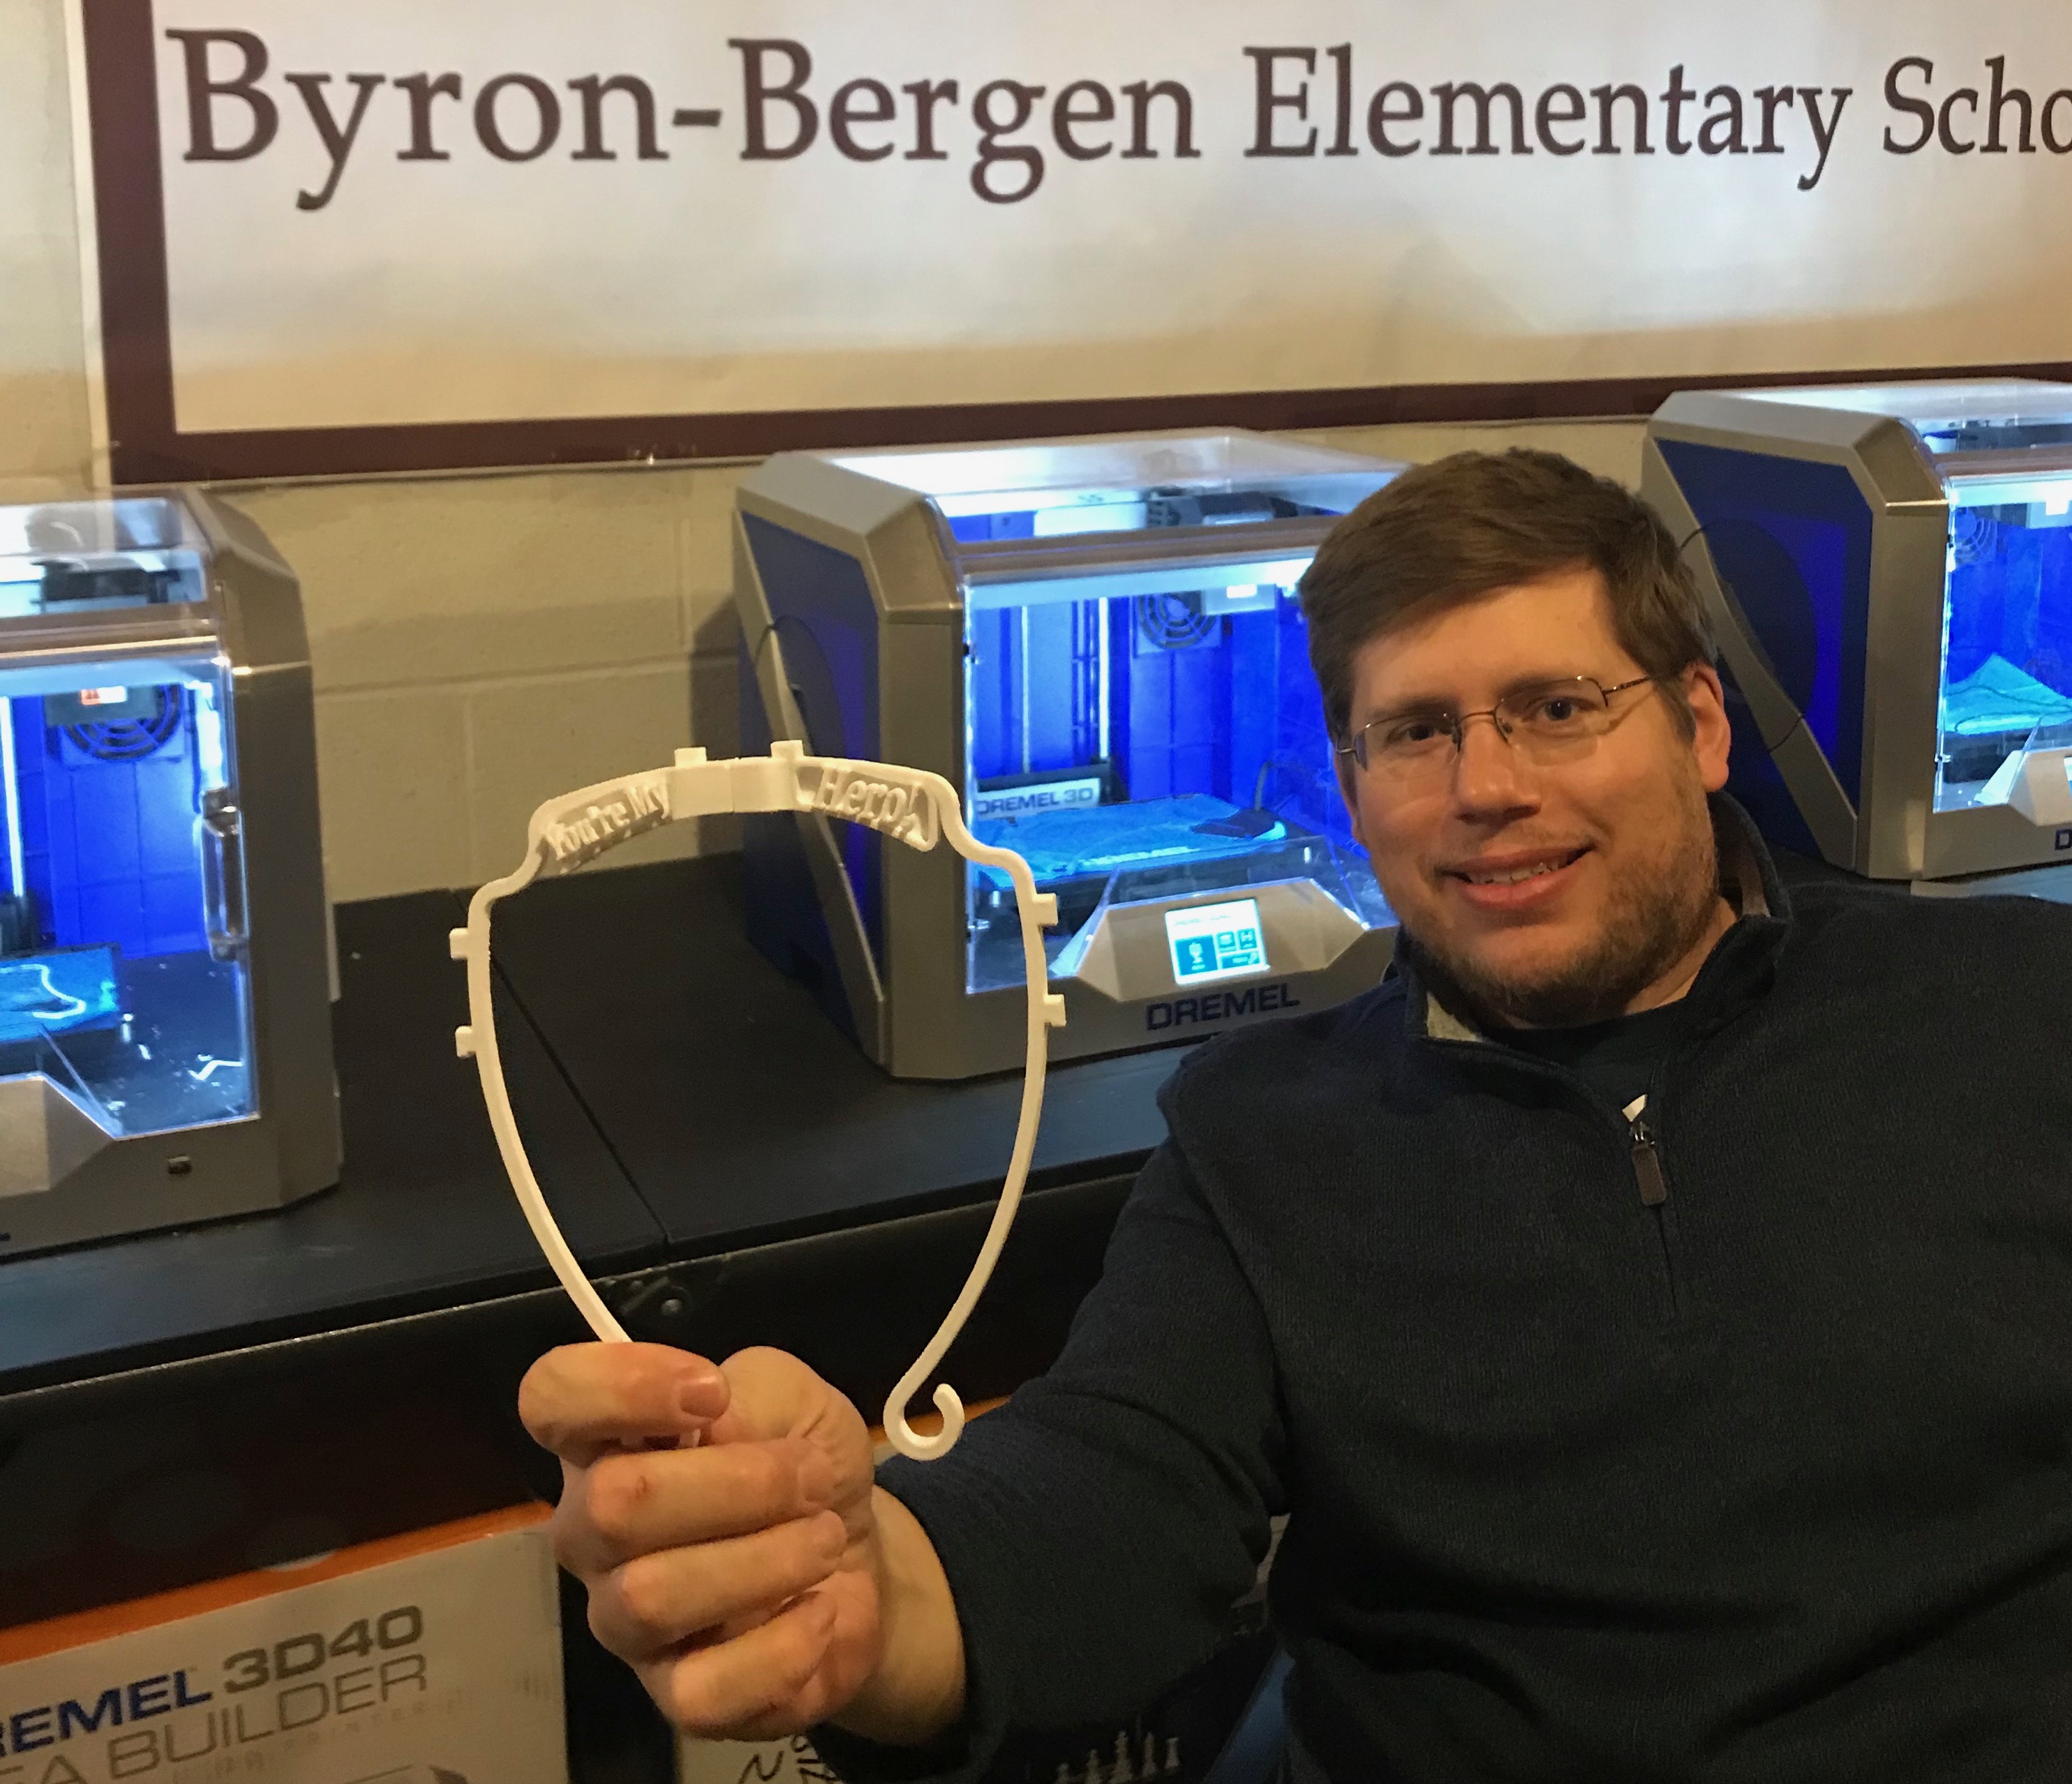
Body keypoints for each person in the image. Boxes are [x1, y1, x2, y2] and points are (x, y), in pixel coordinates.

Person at [521, 449, 2072, 1782]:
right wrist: (869, 1580)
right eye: (1415, 731)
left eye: (1555, 704)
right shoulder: (1266, 1135)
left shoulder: (2013, 1006)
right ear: (1347, 776)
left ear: (1703, 724)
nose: (1487, 785)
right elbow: (1102, 1499)